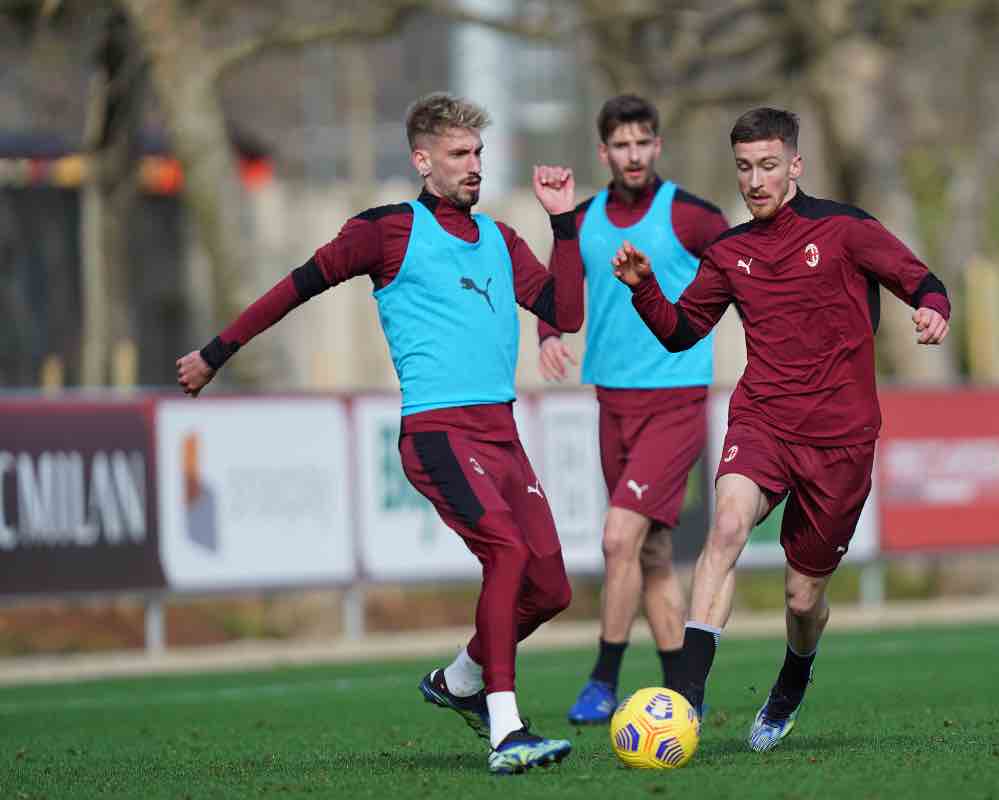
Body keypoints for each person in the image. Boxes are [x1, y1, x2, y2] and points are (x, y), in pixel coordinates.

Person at [175, 92, 584, 775]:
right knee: (507, 554)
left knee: (551, 590)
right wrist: (217, 352)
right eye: (458, 154)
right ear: (423, 161)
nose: (473, 166)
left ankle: (457, 681)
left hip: (503, 435)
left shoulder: (502, 240)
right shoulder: (386, 231)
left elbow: (564, 311)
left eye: (478, 153)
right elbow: (296, 287)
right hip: (438, 434)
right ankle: (506, 731)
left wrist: (564, 226)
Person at [610, 107, 950, 753]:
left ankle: (795, 675)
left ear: (795, 164)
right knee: (728, 526)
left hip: (841, 440)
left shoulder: (846, 230)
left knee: (801, 598)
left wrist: (934, 309)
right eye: (744, 168)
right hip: (763, 418)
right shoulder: (730, 252)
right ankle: (685, 697)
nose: (756, 180)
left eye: (769, 165)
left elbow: (920, 279)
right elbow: (683, 331)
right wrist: (646, 288)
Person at [536, 95, 728, 725]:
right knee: (649, 555)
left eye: (643, 142)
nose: (633, 155)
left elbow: (747, 274)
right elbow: (557, 287)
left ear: (658, 145)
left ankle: (603, 679)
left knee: (619, 537)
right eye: (621, 145)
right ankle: (683, 697)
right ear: (604, 153)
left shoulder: (693, 218)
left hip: (675, 400)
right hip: (611, 402)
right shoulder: (585, 219)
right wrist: (547, 334)